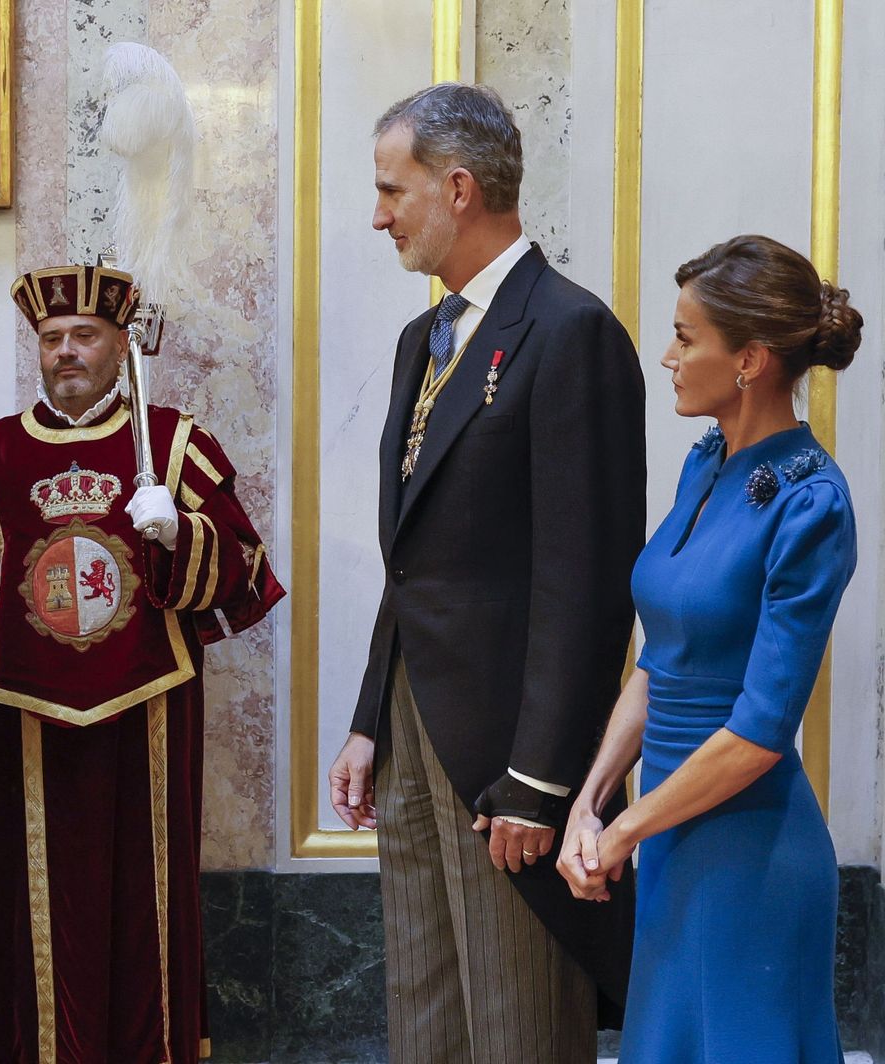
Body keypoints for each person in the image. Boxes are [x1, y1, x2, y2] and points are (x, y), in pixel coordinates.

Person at [326, 83, 646, 1062]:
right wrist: (366, 717)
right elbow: (416, 555)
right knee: (424, 1008)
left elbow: (585, 583)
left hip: (510, 746)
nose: (378, 214)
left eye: (392, 190)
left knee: (513, 1024)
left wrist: (542, 780)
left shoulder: (569, 330)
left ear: (457, 187)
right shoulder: (421, 340)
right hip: (415, 721)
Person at [0, 264, 285, 1063]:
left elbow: (250, 575)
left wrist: (179, 536)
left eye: (85, 335)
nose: (67, 352)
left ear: (123, 345)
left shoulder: (175, 442)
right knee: (32, 912)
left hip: (146, 710)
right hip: (29, 719)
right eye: (52, 339)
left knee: (146, 906)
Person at [559, 235, 862, 1063]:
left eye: (686, 337)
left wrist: (620, 834)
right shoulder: (705, 463)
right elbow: (661, 662)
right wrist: (594, 801)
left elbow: (763, 733)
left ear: (751, 360)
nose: (667, 355)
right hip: (668, 841)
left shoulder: (812, 503)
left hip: (752, 860)